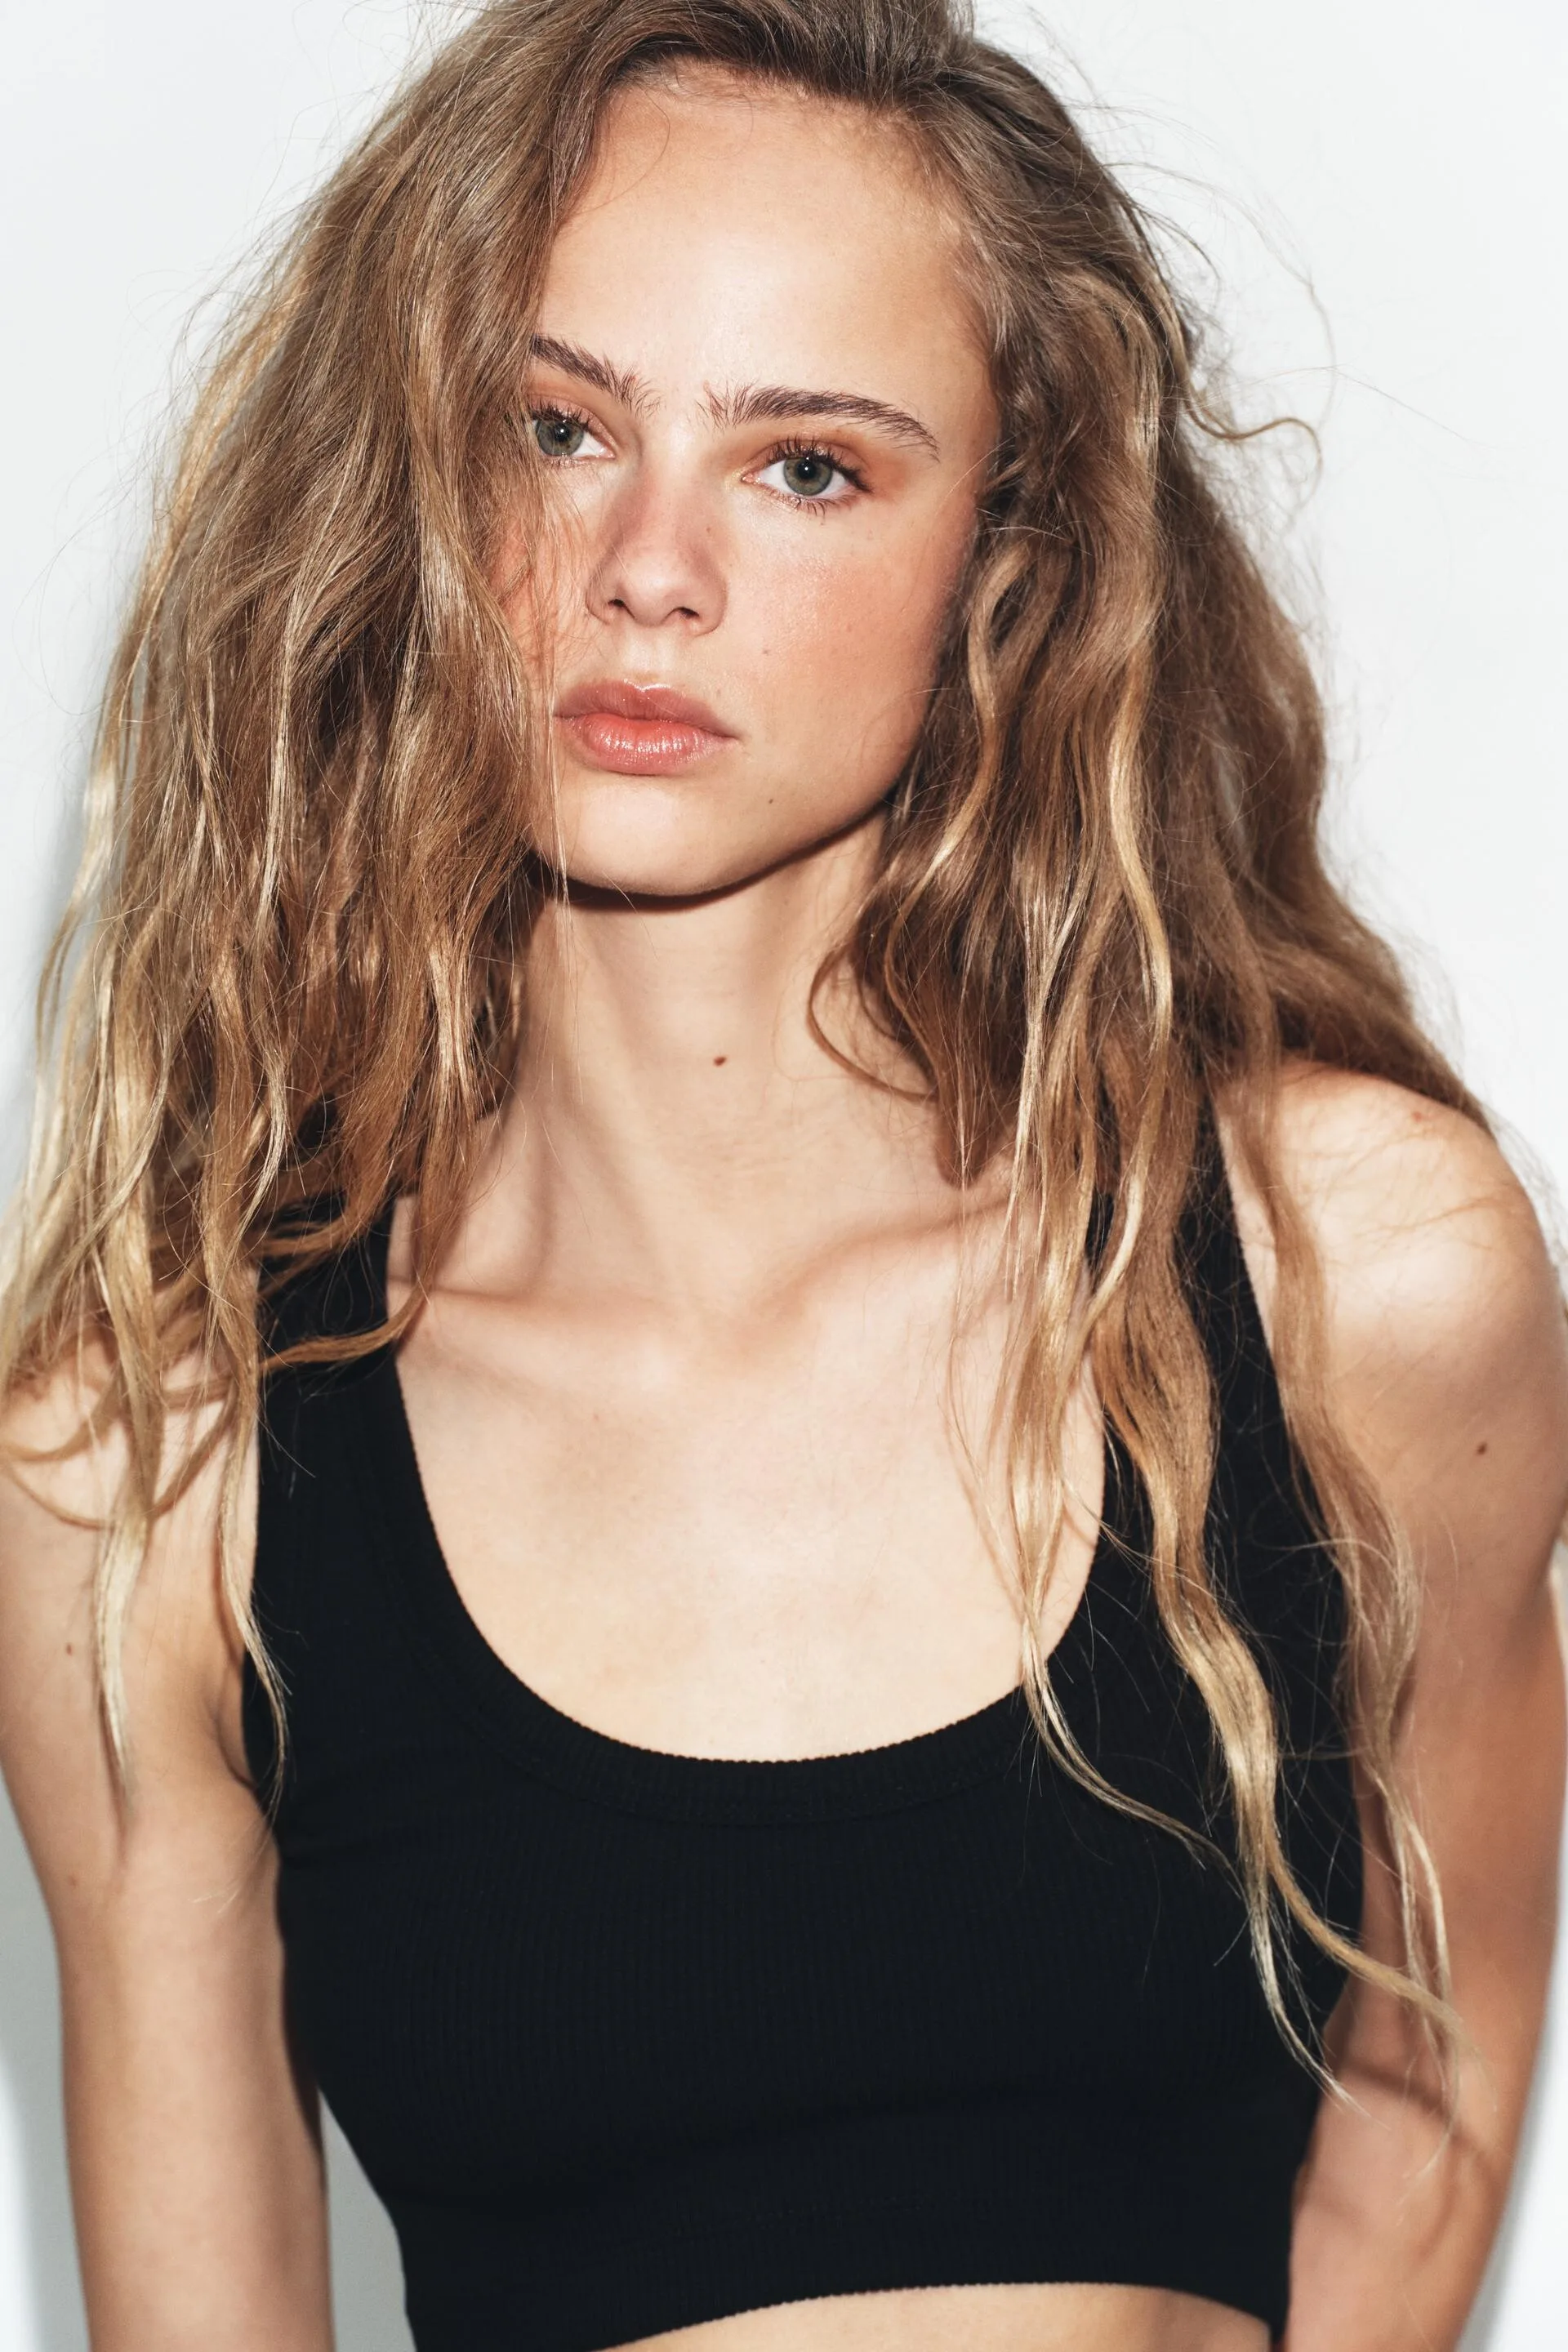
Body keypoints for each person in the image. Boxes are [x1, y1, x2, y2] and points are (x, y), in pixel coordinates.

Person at [1, 2, 1564, 2347]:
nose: (649, 567)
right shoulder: (151, 1466)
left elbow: (1421, 2129)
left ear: (1011, 559)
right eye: (554, 428)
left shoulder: (1357, 1277)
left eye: (808, 465)